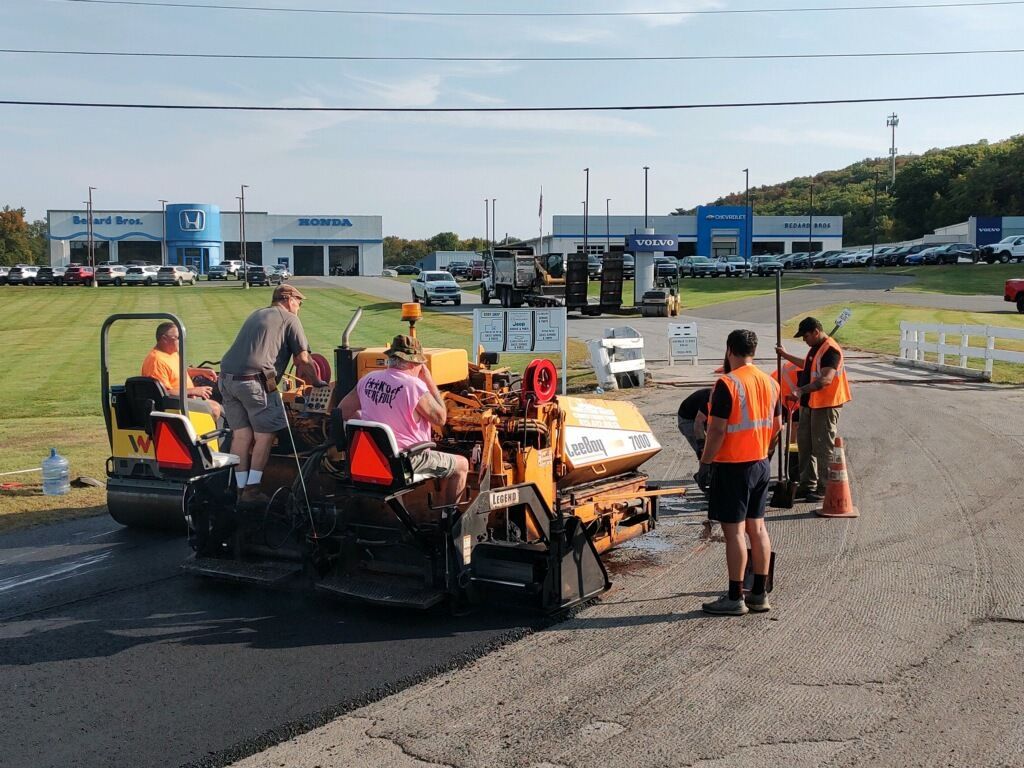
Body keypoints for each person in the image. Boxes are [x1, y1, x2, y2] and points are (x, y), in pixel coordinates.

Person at [698, 329, 782, 616]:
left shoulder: (727, 383)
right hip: (760, 464)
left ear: (729, 349)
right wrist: (763, 449)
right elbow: (777, 426)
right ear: (753, 351)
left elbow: (718, 429)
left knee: (733, 533)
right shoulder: (771, 383)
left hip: (734, 466)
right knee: (757, 528)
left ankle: (735, 596)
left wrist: (706, 462)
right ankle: (759, 593)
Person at [219, 284, 326, 506]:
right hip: (253, 383)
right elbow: (303, 360)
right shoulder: (289, 318)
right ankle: (252, 490)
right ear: (288, 299)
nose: (300, 306)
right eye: (299, 301)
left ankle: (239, 490)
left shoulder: (257, 313)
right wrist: (317, 382)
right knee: (265, 436)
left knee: (241, 436)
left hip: (227, 380)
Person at [338, 334, 469, 507]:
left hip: (372, 459)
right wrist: (429, 381)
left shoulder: (367, 380)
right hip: (408, 461)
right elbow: (441, 418)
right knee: (462, 465)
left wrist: (364, 422)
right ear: (415, 364)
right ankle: (450, 519)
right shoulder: (414, 386)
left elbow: (341, 411)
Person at [775, 317, 852, 502]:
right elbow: (807, 366)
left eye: (806, 335)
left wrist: (800, 390)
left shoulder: (830, 351)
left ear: (816, 331)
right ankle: (807, 483)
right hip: (810, 404)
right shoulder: (816, 349)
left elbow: (826, 379)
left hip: (826, 405)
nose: (804, 339)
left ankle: (824, 488)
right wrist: (786, 356)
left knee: (822, 446)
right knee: (805, 444)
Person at [141, 322, 223, 421]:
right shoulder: (156, 361)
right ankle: (198, 436)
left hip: (185, 397)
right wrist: (194, 391)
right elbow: (164, 393)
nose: (181, 341)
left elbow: (179, 372)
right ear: (164, 339)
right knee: (214, 409)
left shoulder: (172, 353)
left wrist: (201, 371)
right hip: (174, 404)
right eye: (178, 338)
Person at [676, 387, 711, 460]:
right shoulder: (710, 400)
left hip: (700, 414)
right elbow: (698, 422)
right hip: (687, 419)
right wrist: (701, 444)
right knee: (703, 452)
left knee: (713, 445)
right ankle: (704, 470)